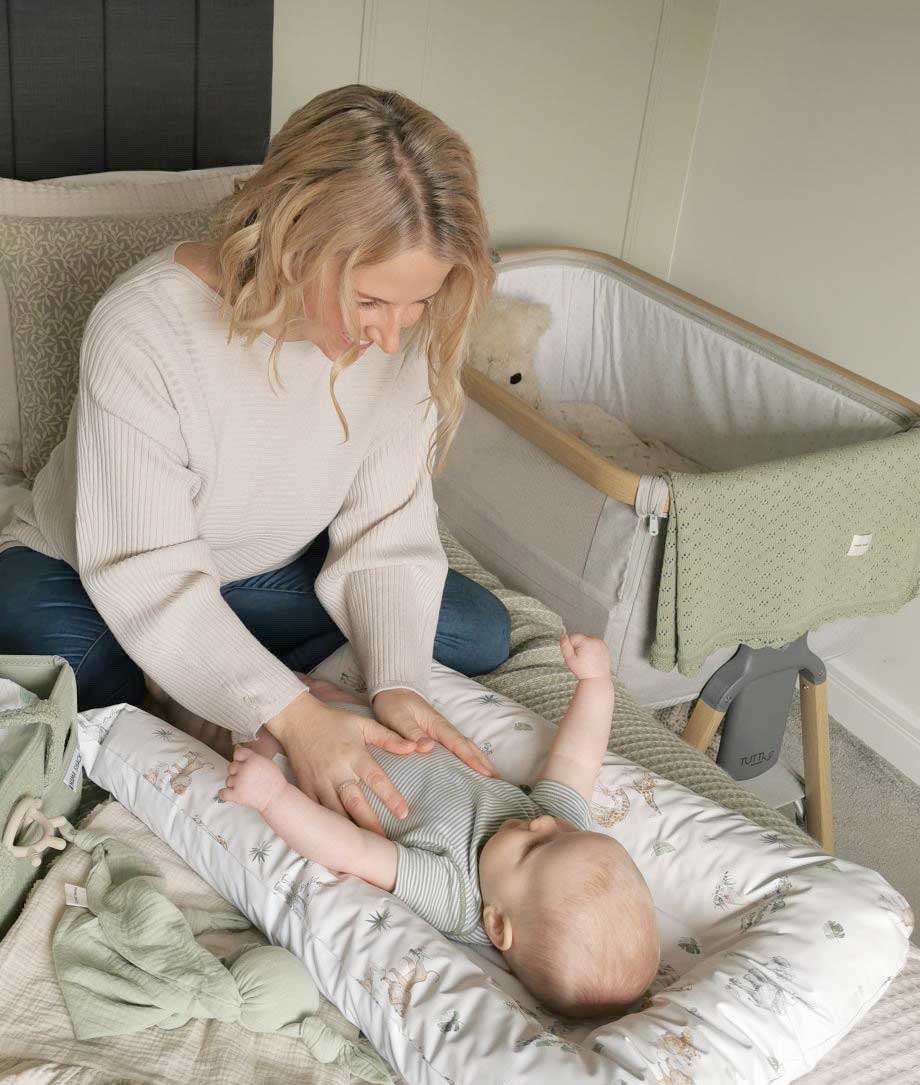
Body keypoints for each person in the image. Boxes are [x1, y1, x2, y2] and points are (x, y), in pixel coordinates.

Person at [0, 85, 513, 834]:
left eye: (418, 304)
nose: (392, 337)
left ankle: (211, 672)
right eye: (371, 301)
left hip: (252, 574)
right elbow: (145, 572)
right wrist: (296, 719)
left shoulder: (399, 338)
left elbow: (388, 533)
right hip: (86, 569)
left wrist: (397, 683)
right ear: (295, 239)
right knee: (68, 669)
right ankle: (210, 680)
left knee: (476, 630)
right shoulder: (144, 327)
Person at [220, 633, 661, 1019]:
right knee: (276, 674)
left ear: (496, 924)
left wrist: (274, 797)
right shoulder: (556, 839)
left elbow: (352, 849)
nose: (543, 822)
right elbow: (577, 759)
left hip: (294, 762)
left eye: (534, 848)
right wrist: (596, 683)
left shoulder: (454, 892)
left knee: (219, 715)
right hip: (354, 722)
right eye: (565, 832)